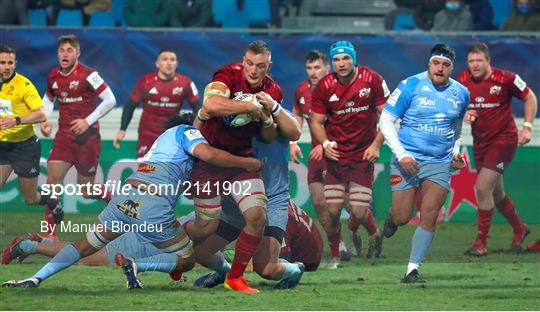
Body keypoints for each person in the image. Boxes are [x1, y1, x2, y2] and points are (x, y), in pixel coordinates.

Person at [2, 113, 262, 288]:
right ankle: (139, 265)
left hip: (125, 198)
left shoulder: (162, 143)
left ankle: (35, 278)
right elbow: (209, 155)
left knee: (83, 248)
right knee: (187, 259)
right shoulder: (186, 132)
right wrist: (246, 163)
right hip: (152, 206)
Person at [185, 40, 281, 293]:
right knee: (206, 228)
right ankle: (167, 237)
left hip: (243, 163)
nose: (253, 70)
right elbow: (211, 105)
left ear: (268, 66)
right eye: (249, 63)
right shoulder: (227, 74)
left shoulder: (272, 91)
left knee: (257, 217)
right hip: (208, 161)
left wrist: (266, 118)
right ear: (243, 61)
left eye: (260, 66)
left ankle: (235, 278)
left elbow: (268, 137)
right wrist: (249, 106)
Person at [380, 44, 469, 283]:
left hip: (439, 164)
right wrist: (402, 155)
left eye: (445, 65)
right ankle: (392, 219)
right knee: (402, 216)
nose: (440, 69)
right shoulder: (410, 85)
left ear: (452, 67)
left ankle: (412, 270)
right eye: (436, 63)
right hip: (406, 161)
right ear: (428, 64)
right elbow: (386, 120)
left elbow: (457, 128)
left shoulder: (461, 93)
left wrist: (454, 152)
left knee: (429, 216)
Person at [191, 105, 305, 290]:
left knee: (267, 269)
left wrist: (274, 109)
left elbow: (295, 132)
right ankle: (226, 273)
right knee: (200, 252)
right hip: (236, 201)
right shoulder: (227, 117)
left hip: (273, 200)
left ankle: (295, 269)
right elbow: (195, 137)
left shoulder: (275, 115)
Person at [309, 41, 388, 269]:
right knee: (332, 210)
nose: (341, 64)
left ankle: (372, 233)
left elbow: (388, 117)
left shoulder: (372, 79)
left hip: (363, 155)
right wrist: (324, 143)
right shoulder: (325, 85)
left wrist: (375, 145)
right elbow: (315, 121)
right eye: (336, 59)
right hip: (335, 157)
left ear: (354, 58)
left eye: (345, 58)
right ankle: (335, 254)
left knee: (359, 211)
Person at [291, 50, 376, 262]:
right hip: (316, 154)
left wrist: (325, 143)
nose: (313, 72)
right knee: (320, 203)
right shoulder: (301, 90)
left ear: (327, 68)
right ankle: (338, 246)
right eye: (309, 68)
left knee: (351, 205)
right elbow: (298, 114)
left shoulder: (336, 89)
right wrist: (293, 141)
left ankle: (373, 232)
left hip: (340, 154)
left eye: (317, 67)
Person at [457, 42, 537, 256]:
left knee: (483, 187)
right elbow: (455, 108)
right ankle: (520, 228)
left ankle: (481, 244)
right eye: (471, 61)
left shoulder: (506, 78)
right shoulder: (462, 82)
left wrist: (527, 128)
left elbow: (530, 97)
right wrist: (464, 113)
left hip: (504, 142)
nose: (474, 65)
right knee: (497, 193)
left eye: (479, 60)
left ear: (488, 61)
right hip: (481, 144)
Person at [39, 34, 117, 239]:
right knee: (51, 182)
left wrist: (87, 121)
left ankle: (114, 198)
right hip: (63, 138)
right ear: (57, 54)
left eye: (69, 50)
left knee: (87, 191)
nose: (65, 54)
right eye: (62, 50)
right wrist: (44, 120)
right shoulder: (54, 76)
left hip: (88, 140)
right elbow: (48, 99)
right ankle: (51, 234)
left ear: (78, 53)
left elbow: (110, 100)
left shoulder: (89, 75)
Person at [0, 44, 63, 232]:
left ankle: (50, 199)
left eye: (10, 62)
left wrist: (16, 121)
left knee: (30, 198)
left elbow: (41, 114)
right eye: (2, 62)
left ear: (15, 64)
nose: (6, 66)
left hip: (24, 147)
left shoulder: (24, 85)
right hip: (3, 145)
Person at [113, 49, 200, 159]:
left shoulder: (186, 83)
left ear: (177, 64)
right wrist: (122, 129)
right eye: (165, 59)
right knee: (144, 168)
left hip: (171, 133)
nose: (169, 63)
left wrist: (198, 128)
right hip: (147, 133)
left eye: (172, 60)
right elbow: (130, 106)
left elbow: (198, 107)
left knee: (167, 168)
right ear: (157, 63)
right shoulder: (145, 81)